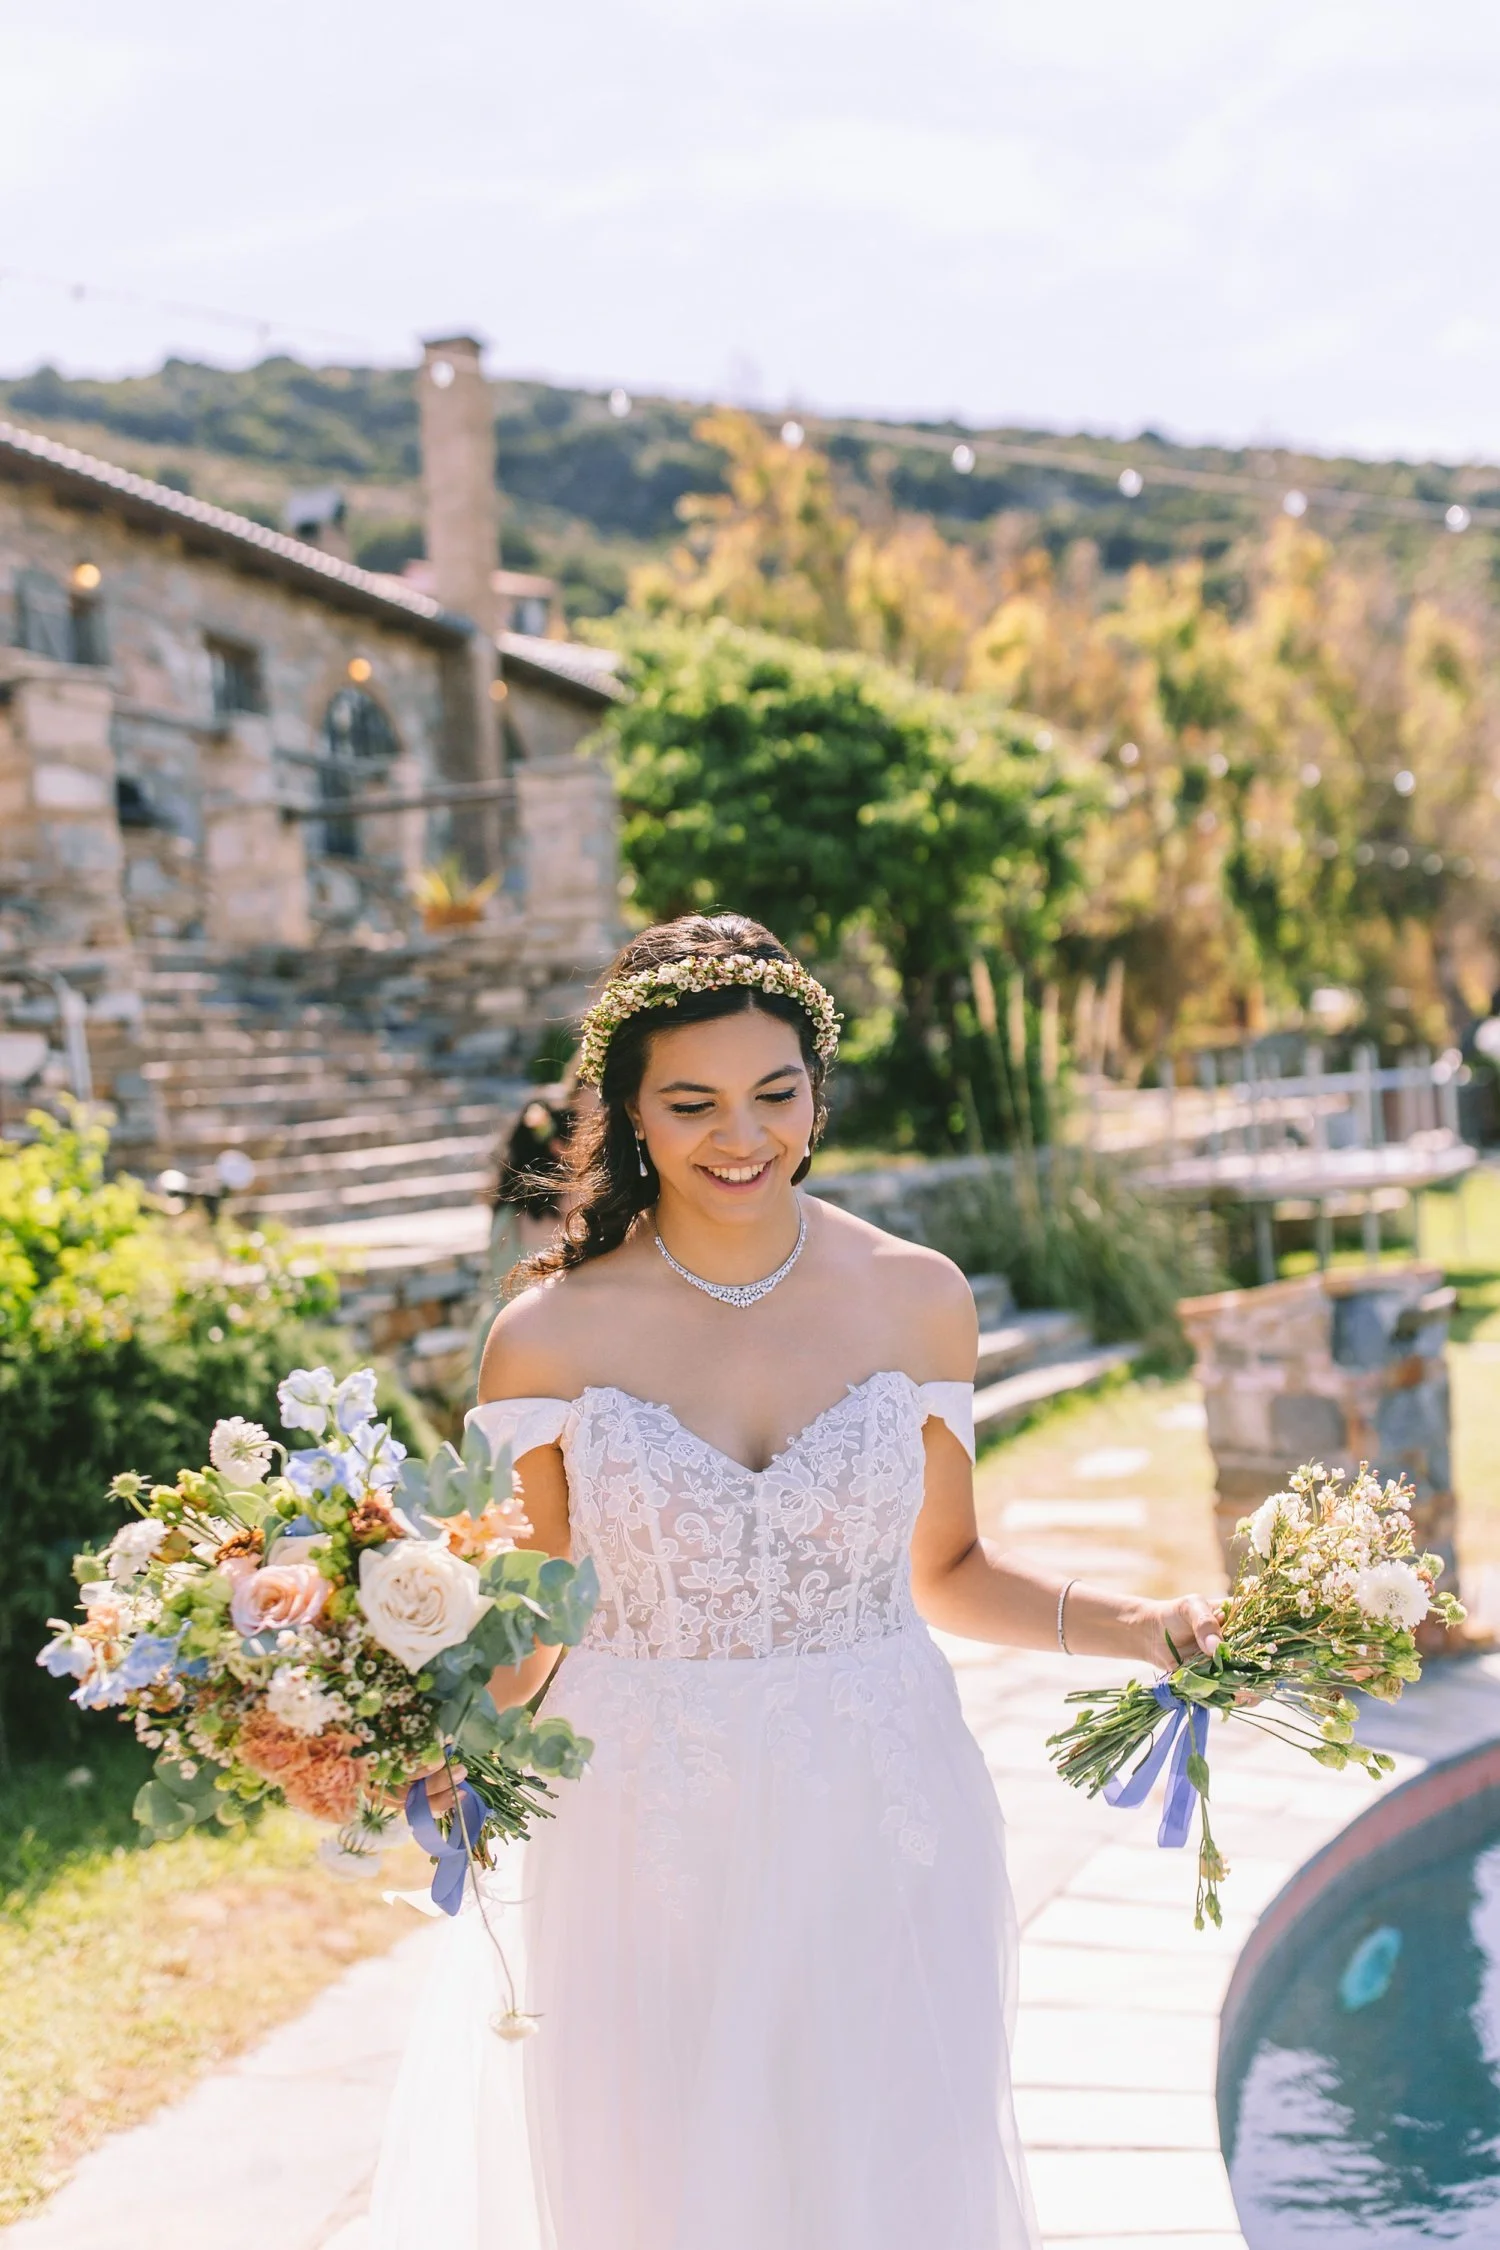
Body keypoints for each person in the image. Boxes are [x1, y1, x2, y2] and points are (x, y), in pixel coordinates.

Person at [370, 912, 1223, 2250]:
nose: (742, 1135)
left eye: (776, 1093)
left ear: (818, 1098)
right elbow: (535, 1625)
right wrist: (411, 1725)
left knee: (881, 2181)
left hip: (881, 1802)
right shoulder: (546, 1336)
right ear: (631, 1114)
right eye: (693, 1101)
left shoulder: (917, 1296)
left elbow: (945, 1565)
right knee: (657, 2193)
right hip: (643, 1820)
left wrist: (1148, 1626)